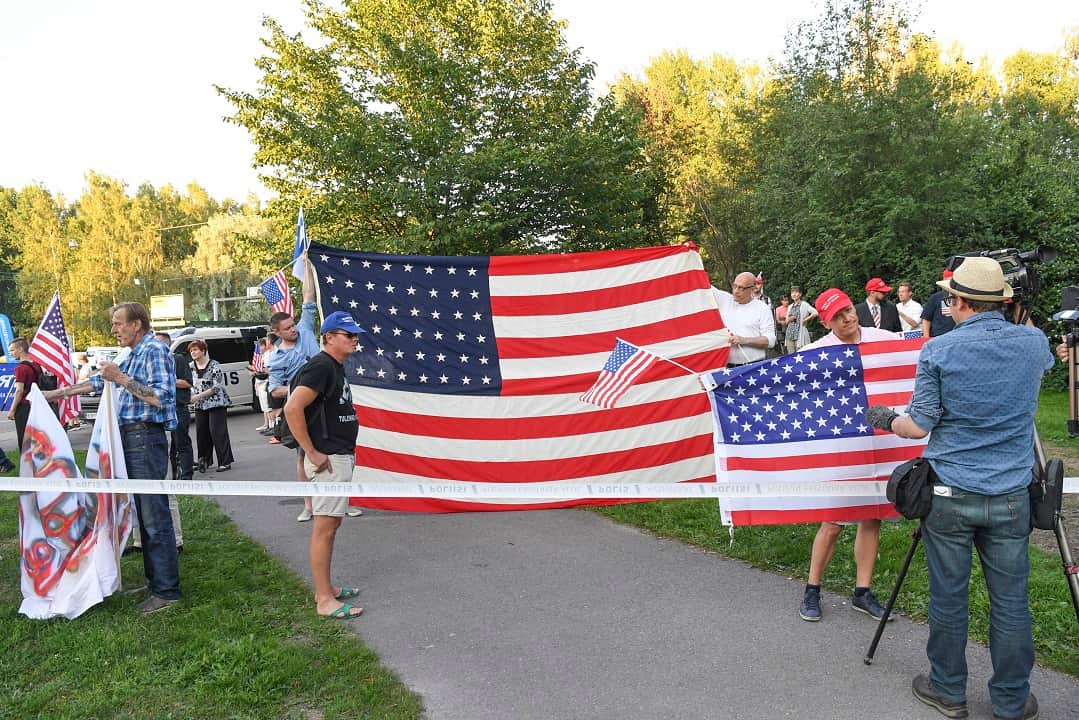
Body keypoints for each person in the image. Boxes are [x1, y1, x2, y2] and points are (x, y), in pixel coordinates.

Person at [867, 257, 1052, 720]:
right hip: (1010, 496)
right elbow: (1036, 369)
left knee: (949, 596)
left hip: (950, 492)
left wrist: (886, 417)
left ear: (959, 302)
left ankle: (948, 690)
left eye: (950, 298)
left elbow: (918, 426)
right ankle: (1011, 701)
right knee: (1011, 602)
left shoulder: (939, 351)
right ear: (1004, 302)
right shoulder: (1034, 343)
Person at [44, 301, 181, 613]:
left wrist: (121, 379)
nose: (114, 330)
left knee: (153, 515)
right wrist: (54, 395)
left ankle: (168, 591)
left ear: (137, 324)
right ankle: (156, 581)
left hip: (145, 436)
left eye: (119, 323)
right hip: (129, 438)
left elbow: (162, 398)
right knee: (142, 515)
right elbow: (97, 382)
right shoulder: (130, 354)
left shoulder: (154, 351)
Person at [797, 288, 899, 623]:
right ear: (826, 322)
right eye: (838, 316)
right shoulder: (816, 352)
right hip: (844, 445)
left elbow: (918, 350)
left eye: (848, 311)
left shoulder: (882, 337)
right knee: (834, 519)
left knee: (872, 517)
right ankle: (812, 588)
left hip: (879, 440)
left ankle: (863, 592)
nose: (848, 318)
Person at [283, 310, 365, 619]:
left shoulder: (333, 366)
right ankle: (323, 599)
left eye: (356, 334)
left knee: (332, 523)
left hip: (339, 455)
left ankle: (327, 588)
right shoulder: (320, 366)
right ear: (329, 337)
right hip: (329, 459)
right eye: (348, 334)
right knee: (325, 527)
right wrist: (312, 453)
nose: (355, 339)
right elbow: (293, 408)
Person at [268, 261, 362, 521]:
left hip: (327, 397)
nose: (293, 329)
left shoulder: (308, 331)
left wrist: (307, 264)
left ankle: (339, 502)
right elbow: (277, 392)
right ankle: (309, 505)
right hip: (310, 413)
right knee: (305, 460)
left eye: (293, 324)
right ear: (276, 333)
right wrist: (303, 388)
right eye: (287, 328)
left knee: (332, 493)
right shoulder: (276, 358)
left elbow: (308, 298)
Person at [188, 339, 234, 473]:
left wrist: (198, 396)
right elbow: (189, 383)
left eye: (196, 350)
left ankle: (225, 462)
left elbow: (217, 386)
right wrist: (192, 395)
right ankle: (204, 460)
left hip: (216, 403)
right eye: (191, 351)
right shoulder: (190, 366)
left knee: (217, 432)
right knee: (202, 433)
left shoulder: (214, 365)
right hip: (200, 405)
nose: (193, 353)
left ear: (203, 351)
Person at [711, 272, 776, 367]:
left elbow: (770, 341)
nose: (736, 291)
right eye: (735, 286)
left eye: (741, 288)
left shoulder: (762, 308)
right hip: (726, 367)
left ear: (752, 289)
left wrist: (743, 340)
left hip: (753, 367)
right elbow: (702, 283)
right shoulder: (725, 300)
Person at [7, 337, 41, 451]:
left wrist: (12, 409)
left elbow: (19, 390)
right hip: (36, 404)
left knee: (24, 437)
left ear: (20, 349)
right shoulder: (36, 365)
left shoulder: (20, 368)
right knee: (36, 437)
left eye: (12, 350)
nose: (11, 353)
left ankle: (26, 464)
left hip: (24, 406)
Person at [780, 284, 818, 354]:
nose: (794, 294)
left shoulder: (804, 304)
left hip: (800, 334)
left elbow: (815, 312)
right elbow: (786, 321)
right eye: (792, 292)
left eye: (796, 292)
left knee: (801, 356)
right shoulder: (790, 306)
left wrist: (805, 320)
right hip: (790, 334)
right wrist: (790, 319)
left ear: (800, 294)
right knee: (791, 357)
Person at [921, 269, 958, 338]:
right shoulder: (935, 297)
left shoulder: (961, 297)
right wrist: (926, 338)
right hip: (938, 337)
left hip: (957, 336)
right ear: (943, 280)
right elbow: (926, 319)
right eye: (948, 280)